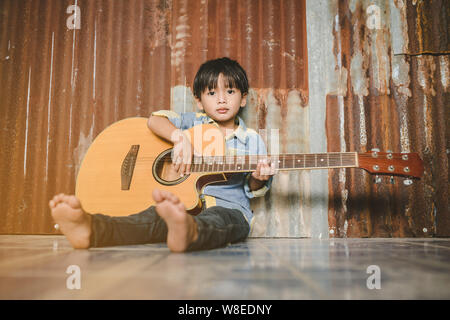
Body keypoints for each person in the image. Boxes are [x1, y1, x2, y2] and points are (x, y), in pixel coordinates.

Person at [49, 57, 277, 252]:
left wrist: (260, 177)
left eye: (230, 91)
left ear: (243, 98)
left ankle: (189, 231)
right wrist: (179, 138)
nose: (221, 99)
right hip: (178, 205)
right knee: (151, 217)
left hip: (229, 208)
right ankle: (92, 229)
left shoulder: (252, 140)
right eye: (211, 92)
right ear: (198, 100)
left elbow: (253, 188)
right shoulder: (191, 123)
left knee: (221, 220)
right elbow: (154, 120)